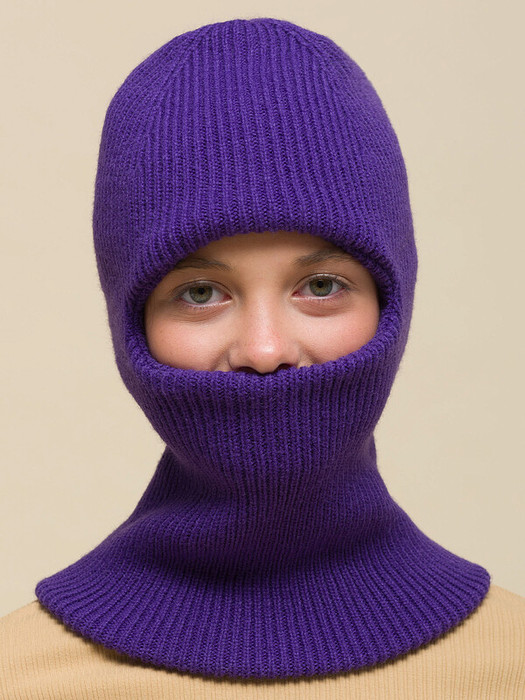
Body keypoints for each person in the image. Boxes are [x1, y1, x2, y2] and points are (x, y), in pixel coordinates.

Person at [1, 16, 524, 699]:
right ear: (129, 320)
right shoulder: (18, 674)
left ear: (393, 298)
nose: (265, 350)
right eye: (199, 293)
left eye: (321, 287)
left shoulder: (511, 662)